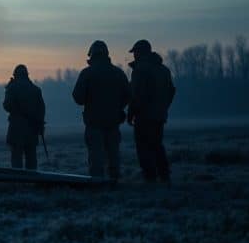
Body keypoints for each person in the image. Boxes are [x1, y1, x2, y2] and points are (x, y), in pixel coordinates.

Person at [72, 40, 130, 181]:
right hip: (113, 121)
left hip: (94, 122)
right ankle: (115, 183)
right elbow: (128, 95)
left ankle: (97, 186)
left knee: (96, 157)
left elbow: (78, 97)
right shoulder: (118, 73)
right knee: (113, 155)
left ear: (92, 55)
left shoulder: (87, 73)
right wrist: (117, 108)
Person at [127, 39, 175, 183]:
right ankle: (164, 176)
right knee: (157, 146)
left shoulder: (140, 70)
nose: (133, 55)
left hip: (144, 116)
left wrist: (131, 114)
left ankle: (150, 178)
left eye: (135, 52)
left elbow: (136, 95)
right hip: (159, 116)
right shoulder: (164, 70)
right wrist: (163, 107)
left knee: (143, 148)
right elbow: (171, 91)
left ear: (140, 52)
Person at [3, 64, 45, 170]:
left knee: (16, 160)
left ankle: (18, 183)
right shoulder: (36, 90)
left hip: (16, 130)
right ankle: (32, 182)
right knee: (31, 159)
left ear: (16, 75)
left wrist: (8, 89)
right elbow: (41, 110)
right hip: (32, 130)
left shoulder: (13, 87)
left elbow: (6, 105)